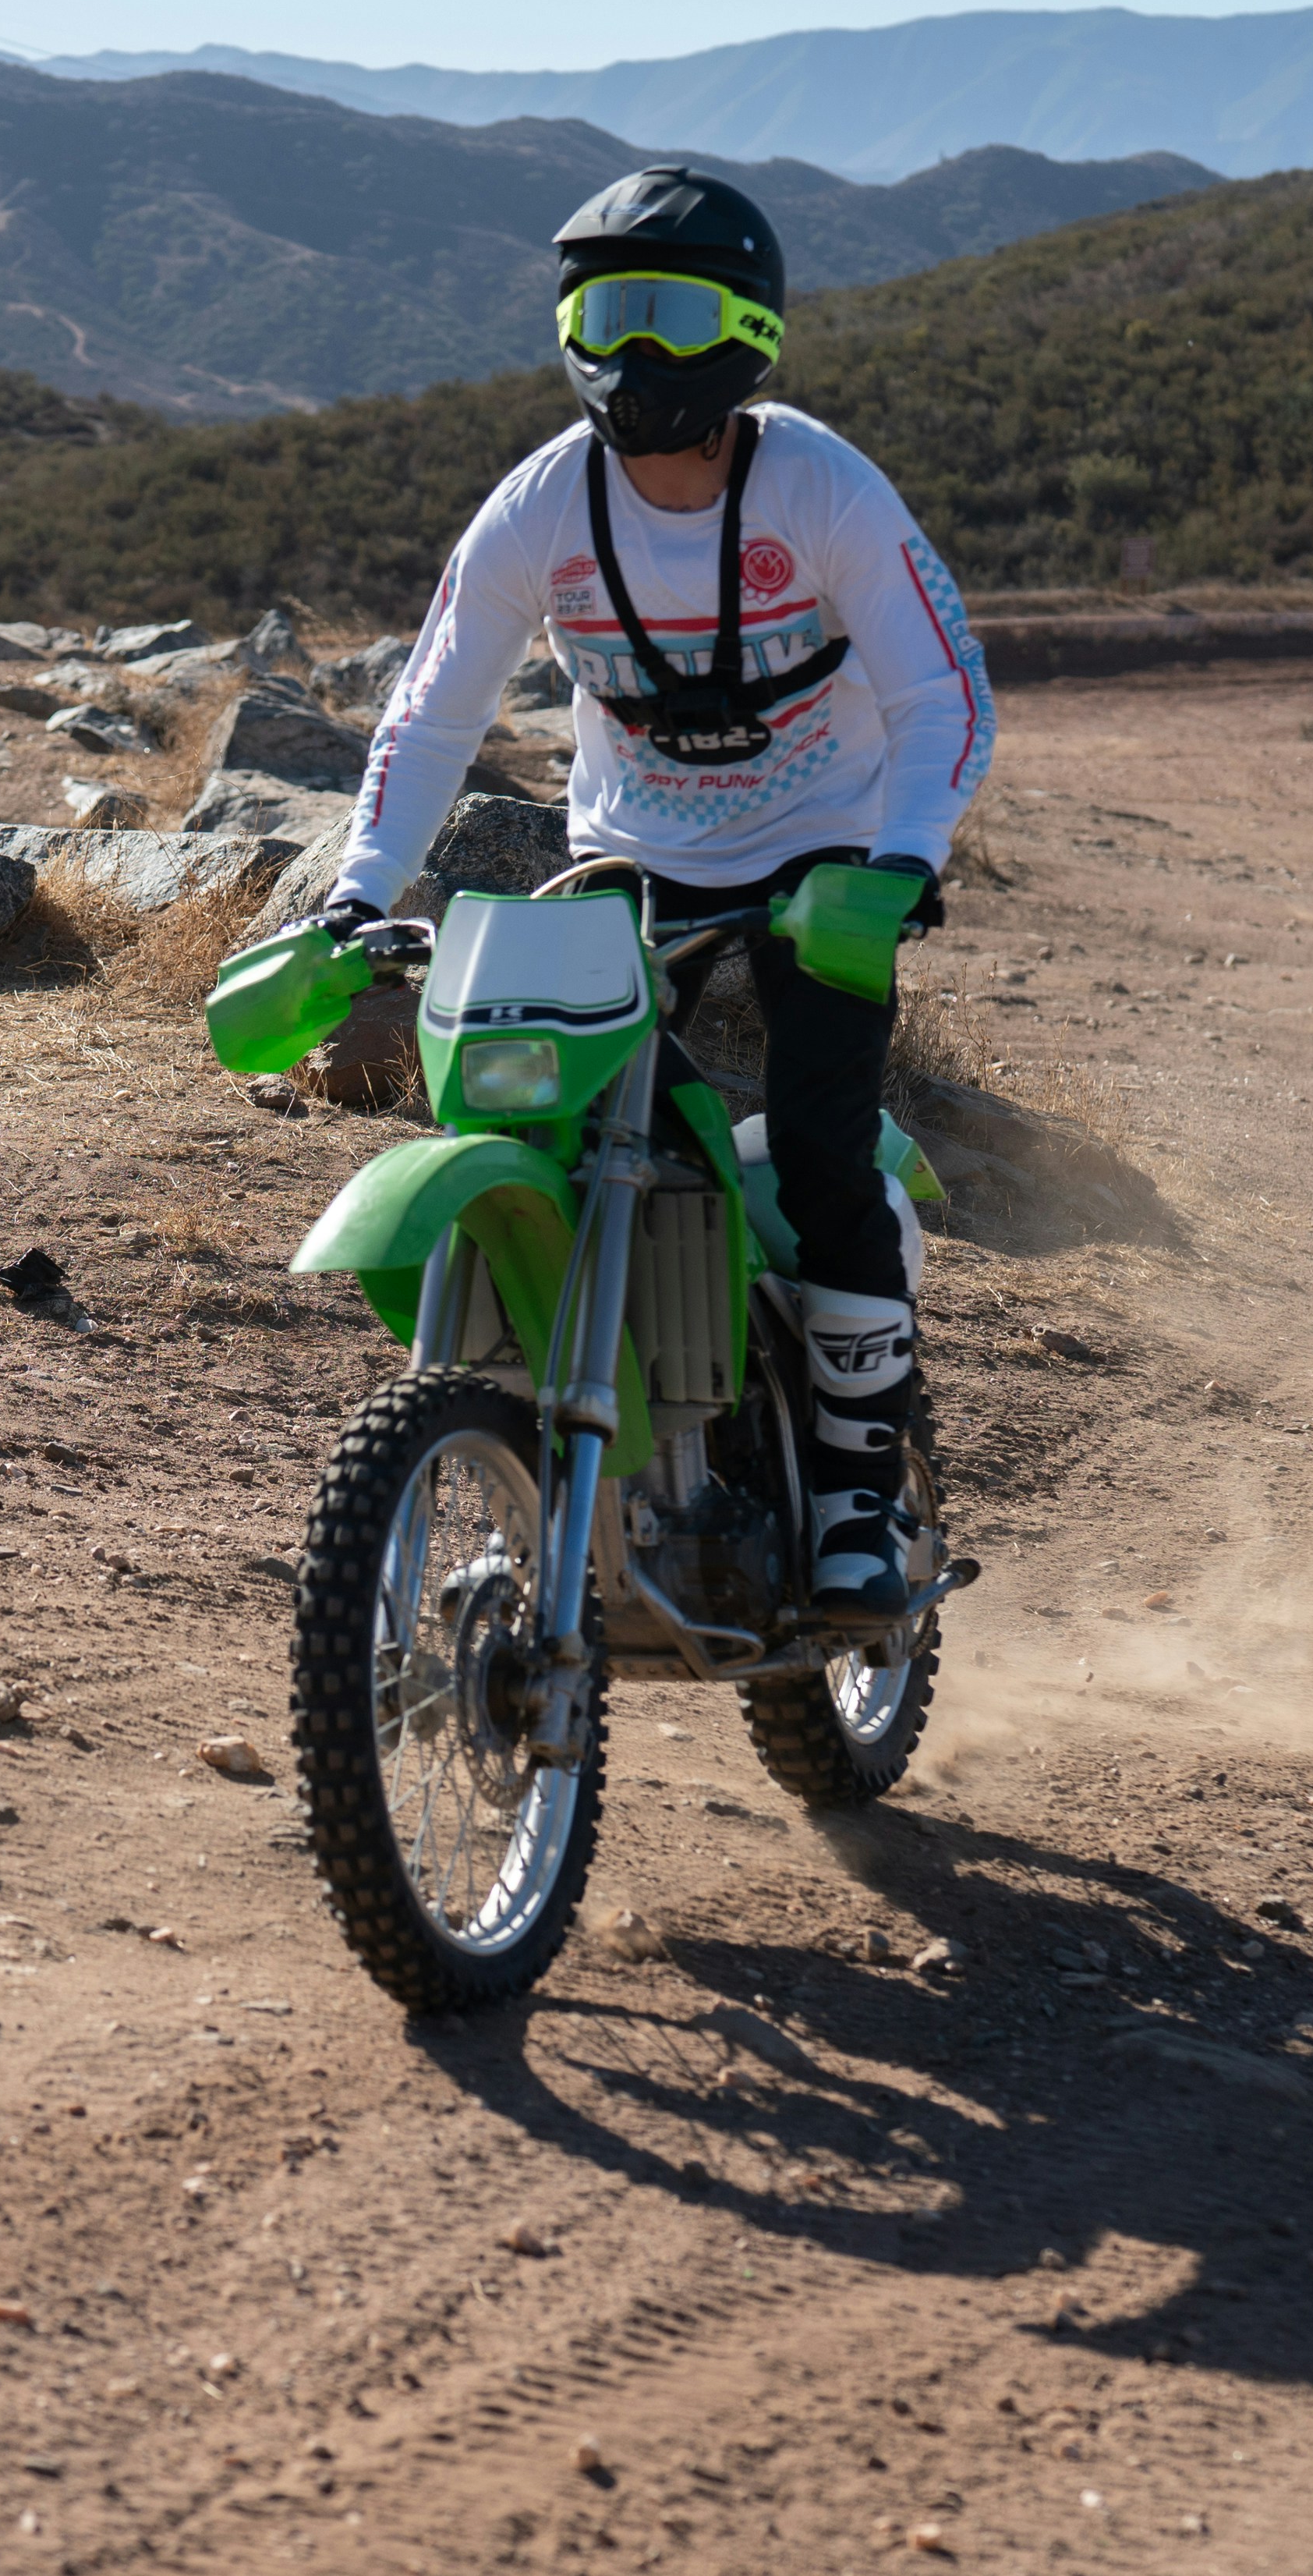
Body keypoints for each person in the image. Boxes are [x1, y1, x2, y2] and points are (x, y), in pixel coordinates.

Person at [288, 164, 995, 1622]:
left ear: (746, 329)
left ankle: (860, 1497)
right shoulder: (541, 507)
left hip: (826, 865)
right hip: (628, 865)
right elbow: (427, 715)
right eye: (608, 313)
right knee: (557, 1124)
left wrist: (900, 866)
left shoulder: (820, 488)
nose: (638, 355)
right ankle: (599, 1433)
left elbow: (946, 695)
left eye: (670, 315)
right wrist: (361, 893)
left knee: (816, 1151)